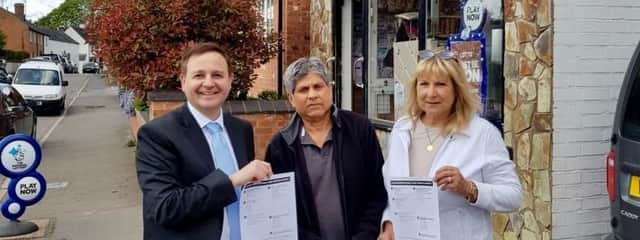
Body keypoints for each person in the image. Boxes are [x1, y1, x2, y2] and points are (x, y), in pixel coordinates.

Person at [378, 49, 522, 240]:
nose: (431, 93)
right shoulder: (401, 130)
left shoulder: (481, 133)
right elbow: (394, 192)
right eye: (424, 84)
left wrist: (469, 188)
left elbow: (513, 196)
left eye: (440, 84)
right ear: (415, 89)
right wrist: (388, 224)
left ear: (457, 89)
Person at [136, 42, 272, 240]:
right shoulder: (156, 135)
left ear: (230, 80)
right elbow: (166, 207)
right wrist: (232, 180)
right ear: (183, 82)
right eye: (199, 75)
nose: (209, 83)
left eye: (217, 75)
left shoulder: (241, 130)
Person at [265, 57, 387, 240]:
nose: (312, 95)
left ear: (330, 89)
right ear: (291, 98)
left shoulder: (359, 129)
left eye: (318, 86)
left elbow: (377, 191)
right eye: (303, 89)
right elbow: (280, 211)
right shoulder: (280, 146)